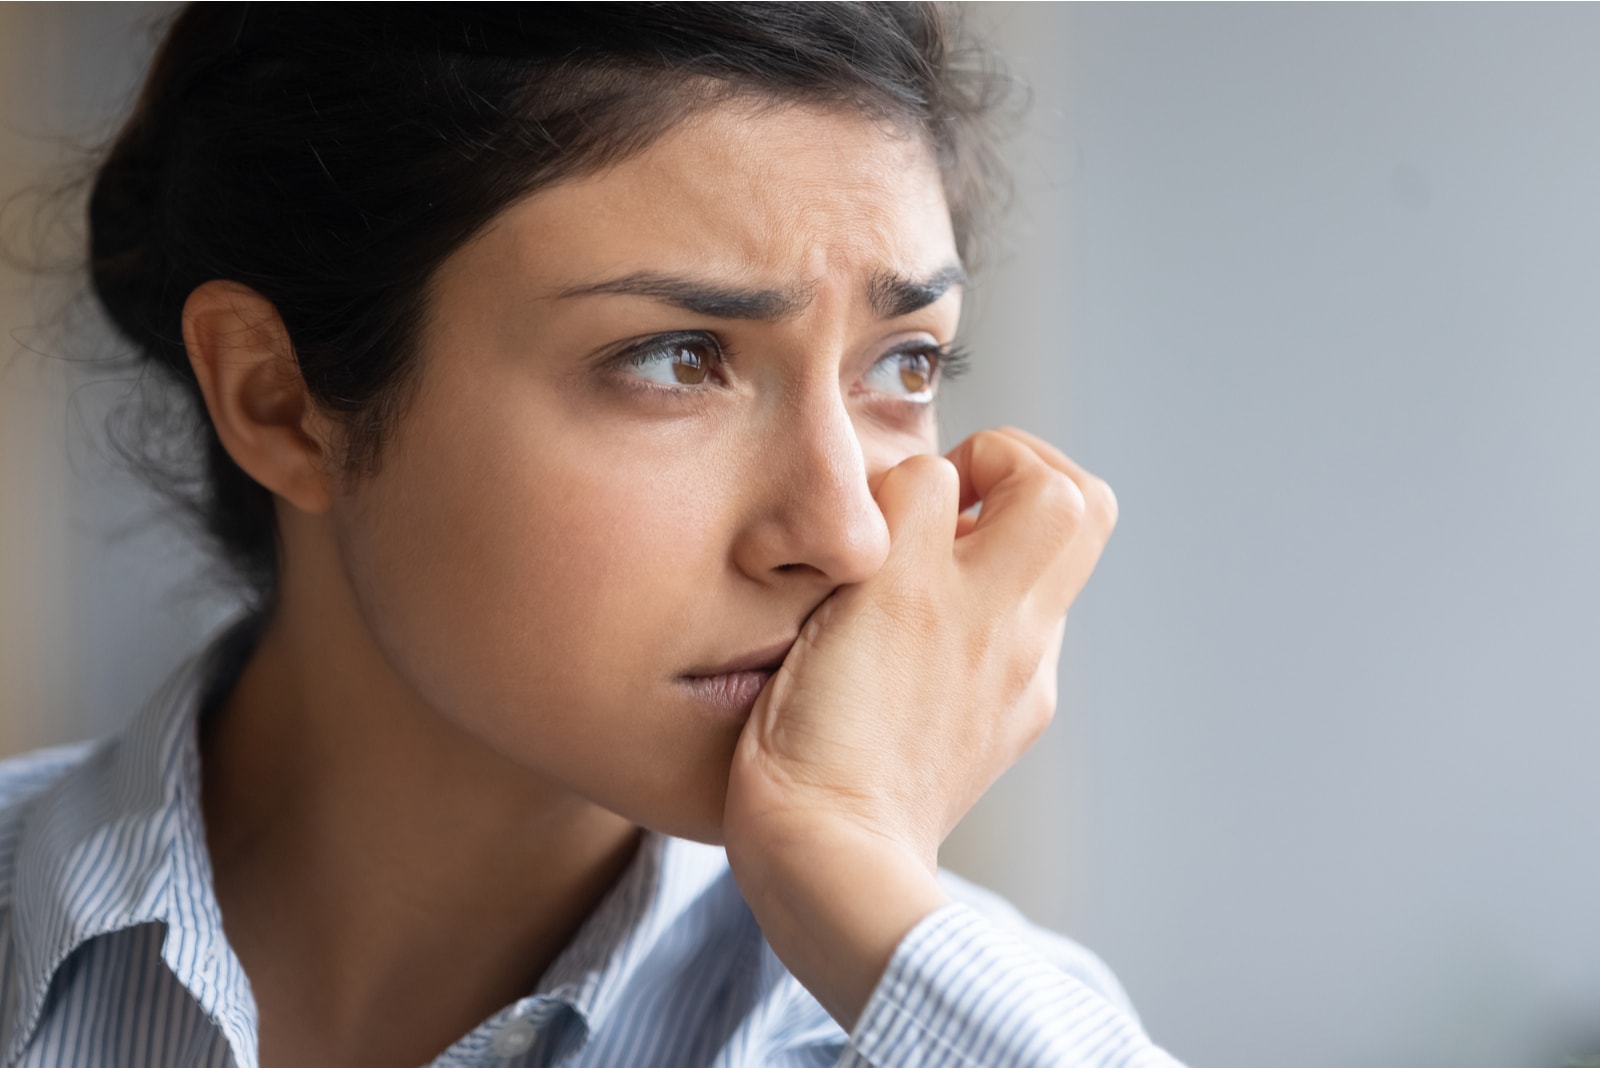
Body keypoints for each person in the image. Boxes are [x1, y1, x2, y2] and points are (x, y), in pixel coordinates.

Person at [0, 5, 1185, 1067]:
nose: (843, 534)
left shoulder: (936, 1015)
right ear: (279, 400)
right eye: (678, 359)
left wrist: (849, 875)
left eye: (904, 362)